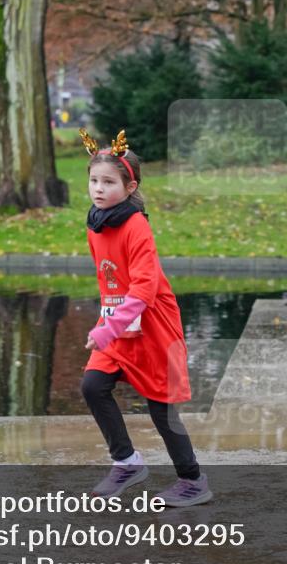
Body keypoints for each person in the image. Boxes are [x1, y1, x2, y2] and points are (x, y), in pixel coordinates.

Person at [78, 128, 212, 507]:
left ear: (130, 185)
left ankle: (193, 480)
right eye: (94, 180)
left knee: (161, 409)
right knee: (93, 385)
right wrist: (107, 323)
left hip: (153, 325)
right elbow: (109, 281)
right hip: (117, 324)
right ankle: (126, 462)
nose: (99, 189)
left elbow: (143, 289)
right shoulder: (96, 223)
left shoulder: (136, 225)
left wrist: (109, 328)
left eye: (108, 182)